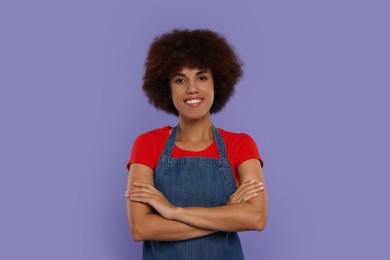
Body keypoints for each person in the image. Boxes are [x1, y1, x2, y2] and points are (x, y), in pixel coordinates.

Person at [125, 28, 268, 260]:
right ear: (167, 89)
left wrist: (173, 212)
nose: (192, 88)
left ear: (216, 83)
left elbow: (256, 218)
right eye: (180, 80)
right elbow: (141, 228)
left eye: (202, 77)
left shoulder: (242, 144)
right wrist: (227, 216)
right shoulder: (148, 144)